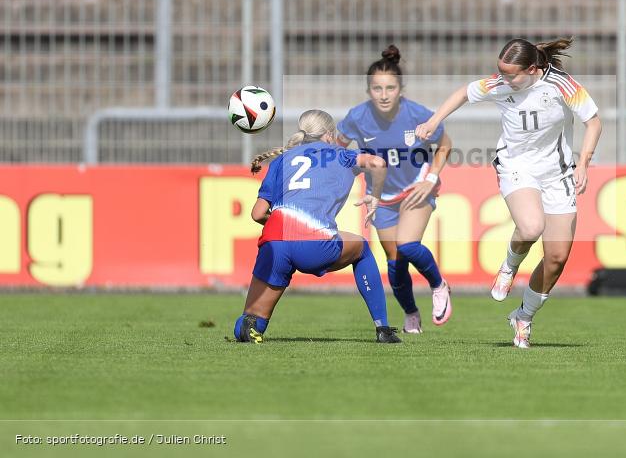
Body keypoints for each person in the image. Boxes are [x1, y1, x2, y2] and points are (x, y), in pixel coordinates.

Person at [415, 38, 602, 348]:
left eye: (511, 73)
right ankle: (509, 266)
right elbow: (464, 92)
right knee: (531, 227)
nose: (503, 78)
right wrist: (434, 120)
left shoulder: (561, 85)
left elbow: (593, 123)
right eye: (500, 71)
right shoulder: (500, 84)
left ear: (532, 69)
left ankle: (523, 317)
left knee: (556, 257)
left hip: (558, 173)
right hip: (517, 166)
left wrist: (583, 164)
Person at [233, 109, 402, 344]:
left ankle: (250, 329)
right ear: (330, 135)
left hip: (275, 243)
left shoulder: (282, 160)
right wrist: (375, 196)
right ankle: (383, 329)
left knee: (249, 323)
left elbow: (257, 213)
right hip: (315, 244)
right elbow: (378, 162)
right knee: (361, 248)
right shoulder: (340, 155)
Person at [336, 44, 453, 334]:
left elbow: (445, 144)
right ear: (369, 91)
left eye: (390, 88)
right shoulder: (357, 117)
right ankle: (411, 312)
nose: (384, 94)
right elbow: (338, 150)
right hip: (381, 198)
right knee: (396, 264)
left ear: (400, 89)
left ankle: (439, 286)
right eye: (377, 88)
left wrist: (431, 178)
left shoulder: (416, 115)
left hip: (416, 189)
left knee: (408, 246)